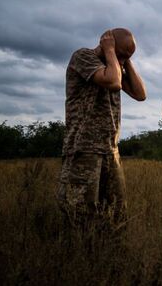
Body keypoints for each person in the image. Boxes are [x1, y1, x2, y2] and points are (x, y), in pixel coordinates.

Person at [56, 28, 146, 230]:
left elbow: (140, 94)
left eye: (127, 57)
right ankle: (80, 248)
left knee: (116, 213)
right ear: (107, 44)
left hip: (110, 150)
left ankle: (108, 247)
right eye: (121, 55)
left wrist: (126, 61)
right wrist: (111, 52)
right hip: (84, 149)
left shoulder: (115, 66)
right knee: (79, 214)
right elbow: (112, 82)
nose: (121, 61)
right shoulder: (83, 57)